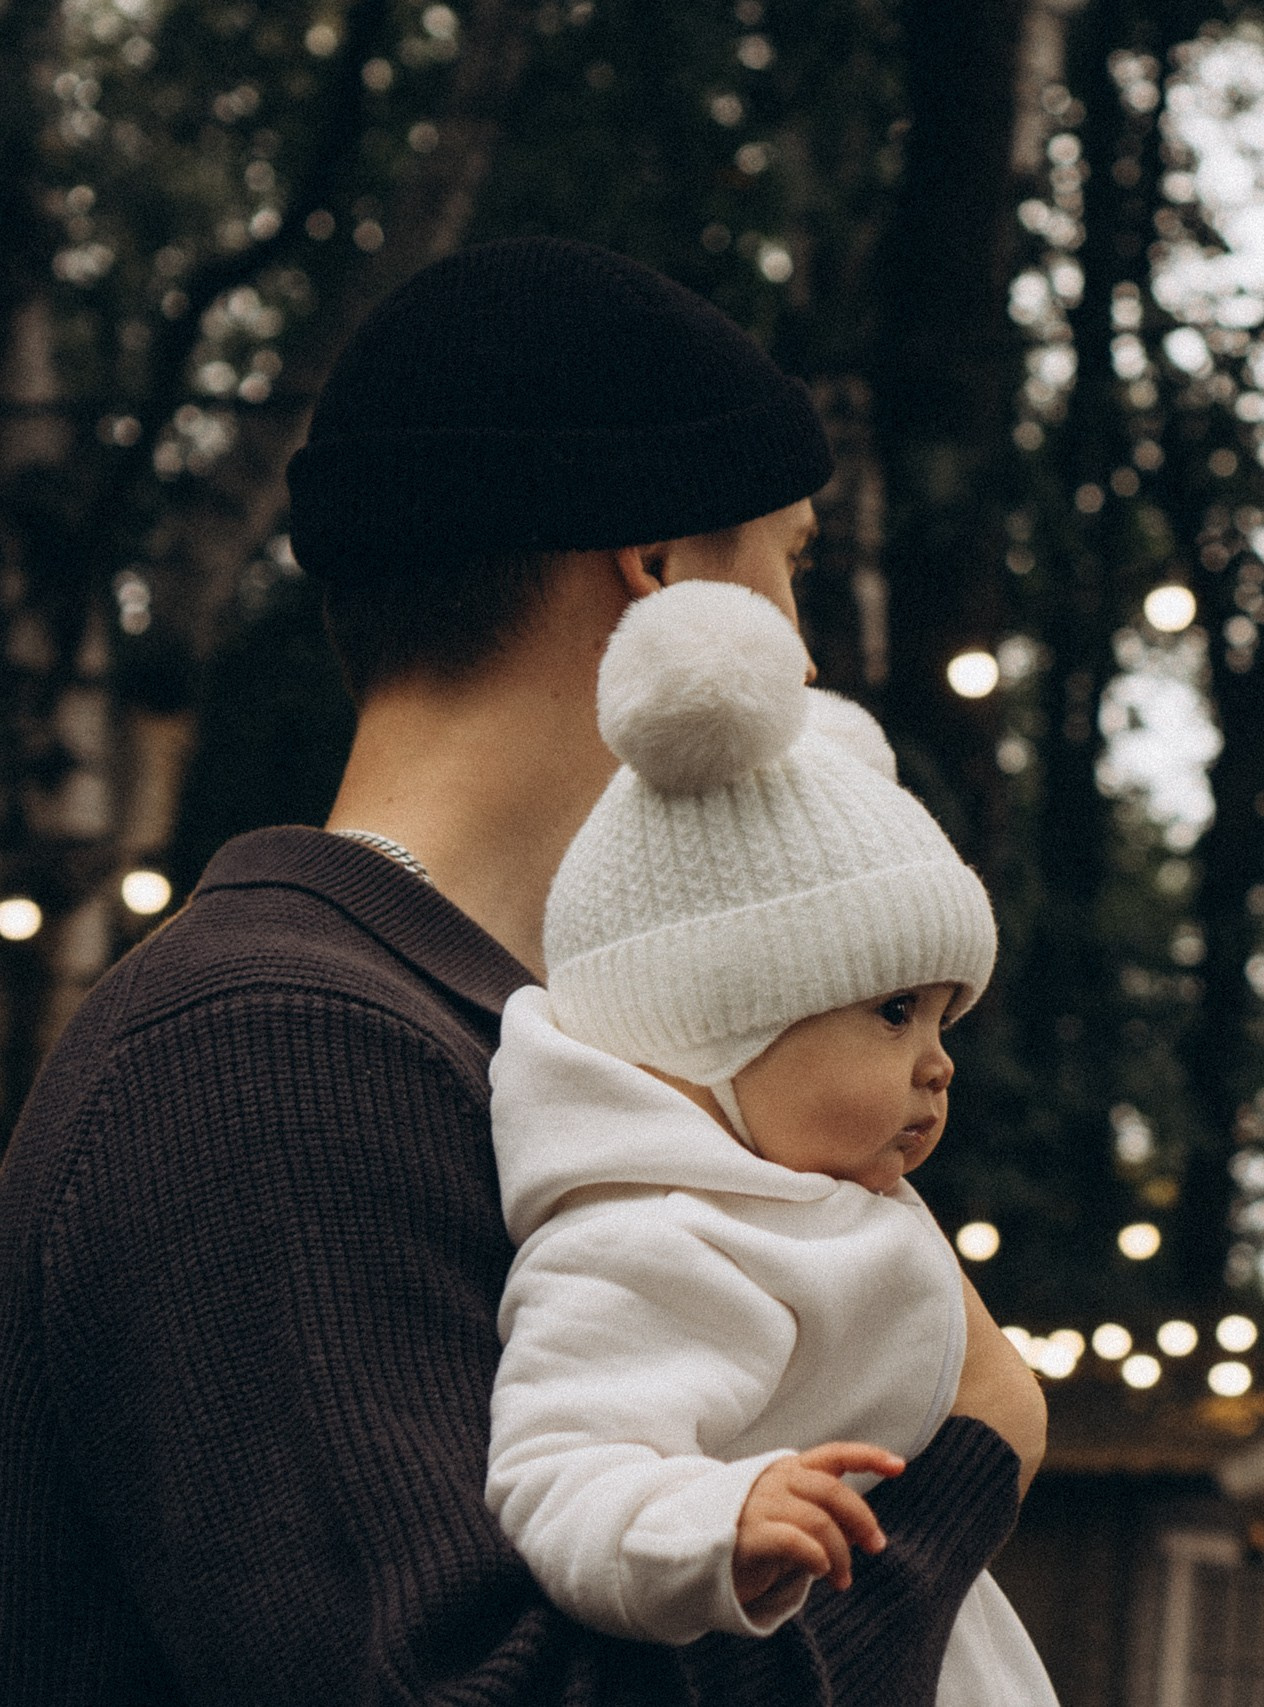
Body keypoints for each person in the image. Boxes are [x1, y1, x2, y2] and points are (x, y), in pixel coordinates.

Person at [0, 236, 1045, 1705]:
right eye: (790, 566)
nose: (806, 662)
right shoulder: (262, 1052)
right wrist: (965, 1458)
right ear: (668, 565)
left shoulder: (542, 1063)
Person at [483, 579, 1054, 1707]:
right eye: (894, 1012)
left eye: (947, 1019)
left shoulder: (805, 1193)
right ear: (713, 1024)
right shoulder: (652, 1234)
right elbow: (559, 1471)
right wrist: (716, 1522)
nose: (939, 1064)